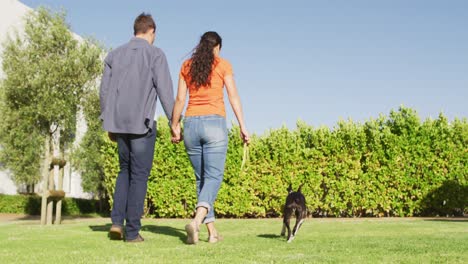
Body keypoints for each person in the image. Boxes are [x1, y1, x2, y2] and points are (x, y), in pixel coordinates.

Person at [99, 13, 175, 242]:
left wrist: (108, 122)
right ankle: (132, 232)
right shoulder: (155, 54)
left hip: (119, 124)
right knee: (139, 176)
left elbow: (104, 92)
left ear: (135, 30)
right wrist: (174, 122)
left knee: (124, 171)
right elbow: (165, 91)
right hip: (141, 124)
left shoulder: (114, 54)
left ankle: (116, 223)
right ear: (151, 31)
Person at [170, 31, 250, 244]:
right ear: (217, 48)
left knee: (201, 180)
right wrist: (243, 126)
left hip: (191, 125)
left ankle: (212, 233)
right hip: (214, 123)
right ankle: (196, 223)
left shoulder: (187, 66)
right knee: (213, 177)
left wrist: (174, 124)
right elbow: (233, 96)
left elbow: (179, 98)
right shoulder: (223, 65)